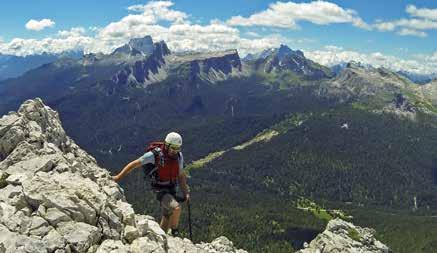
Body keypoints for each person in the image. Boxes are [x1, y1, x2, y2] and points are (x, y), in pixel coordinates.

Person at [112, 132, 190, 236]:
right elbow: (134, 164)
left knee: (167, 215)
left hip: (171, 188)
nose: (175, 151)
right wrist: (118, 177)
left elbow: (181, 175)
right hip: (160, 189)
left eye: (178, 148)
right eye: (173, 148)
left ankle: (162, 237)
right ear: (166, 145)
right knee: (176, 208)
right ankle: (174, 232)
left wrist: (186, 192)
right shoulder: (154, 155)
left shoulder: (178, 156)